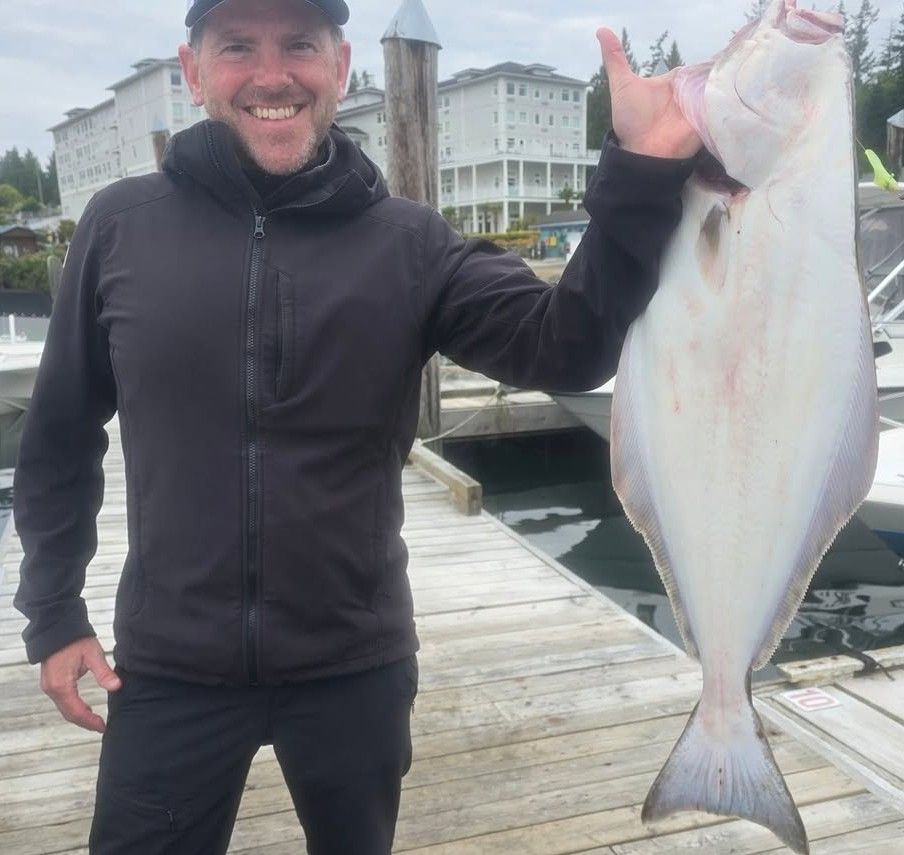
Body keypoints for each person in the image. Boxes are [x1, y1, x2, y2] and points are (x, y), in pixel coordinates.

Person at [12, 0, 701, 851]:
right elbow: (57, 437)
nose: (271, 75)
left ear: (339, 69)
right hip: (168, 663)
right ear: (193, 74)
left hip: (354, 663)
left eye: (299, 44)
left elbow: (568, 347)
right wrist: (55, 614)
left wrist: (641, 169)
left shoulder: (411, 242)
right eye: (237, 47)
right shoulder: (119, 227)